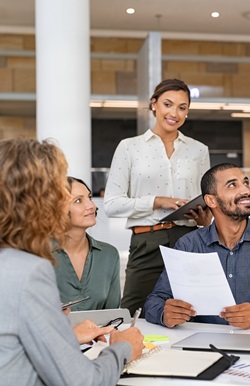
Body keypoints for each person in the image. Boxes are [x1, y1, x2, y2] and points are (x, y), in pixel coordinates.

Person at [0, 138, 144, 385]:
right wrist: (123, 349)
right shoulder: (29, 270)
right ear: (37, 199)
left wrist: (57, 329)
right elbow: (81, 381)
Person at [104, 78, 211, 317]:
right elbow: (111, 204)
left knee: (193, 313)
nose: (174, 113)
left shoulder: (199, 150)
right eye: (168, 104)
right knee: (132, 313)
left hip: (190, 239)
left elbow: (207, 198)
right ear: (154, 104)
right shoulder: (129, 147)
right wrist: (157, 201)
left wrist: (206, 217)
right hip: (147, 242)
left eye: (182, 107)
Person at [145, 163, 250, 330]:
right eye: (233, 185)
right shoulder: (188, 245)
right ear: (211, 200)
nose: (246, 190)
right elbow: (155, 301)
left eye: (246, 183)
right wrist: (165, 314)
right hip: (200, 347)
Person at [53, 177, 121, 310]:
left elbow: (113, 316)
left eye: (89, 198)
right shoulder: (40, 255)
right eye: (78, 201)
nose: (92, 206)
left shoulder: (109, 255)